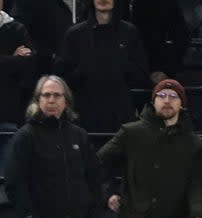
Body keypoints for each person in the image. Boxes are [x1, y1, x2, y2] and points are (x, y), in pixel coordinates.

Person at [97, 78, 202, 218]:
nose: (167, 100)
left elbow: (197, 185)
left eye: (173, 96)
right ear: (153, 101)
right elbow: (97, 165)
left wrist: (199, 215)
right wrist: (108, 192)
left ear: (181, 103)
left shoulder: (195, 145)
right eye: (162, 95)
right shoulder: (131, 133)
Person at [3, 75, 98, 218]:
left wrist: (90, 215)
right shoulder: (25, 136)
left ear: (66, 101)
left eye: (56, 95)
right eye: (46, 95)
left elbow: (93, 177)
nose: (51, 100)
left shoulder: (79, 135)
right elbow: (14, 181)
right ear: (38, 101)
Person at [52, 0, 150, 135]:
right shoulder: (75, 34)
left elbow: (141, 74)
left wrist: (118, 67)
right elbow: (61, 77)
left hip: (120, 115)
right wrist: (84, 70)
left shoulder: (130, 32)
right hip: (84, 115)